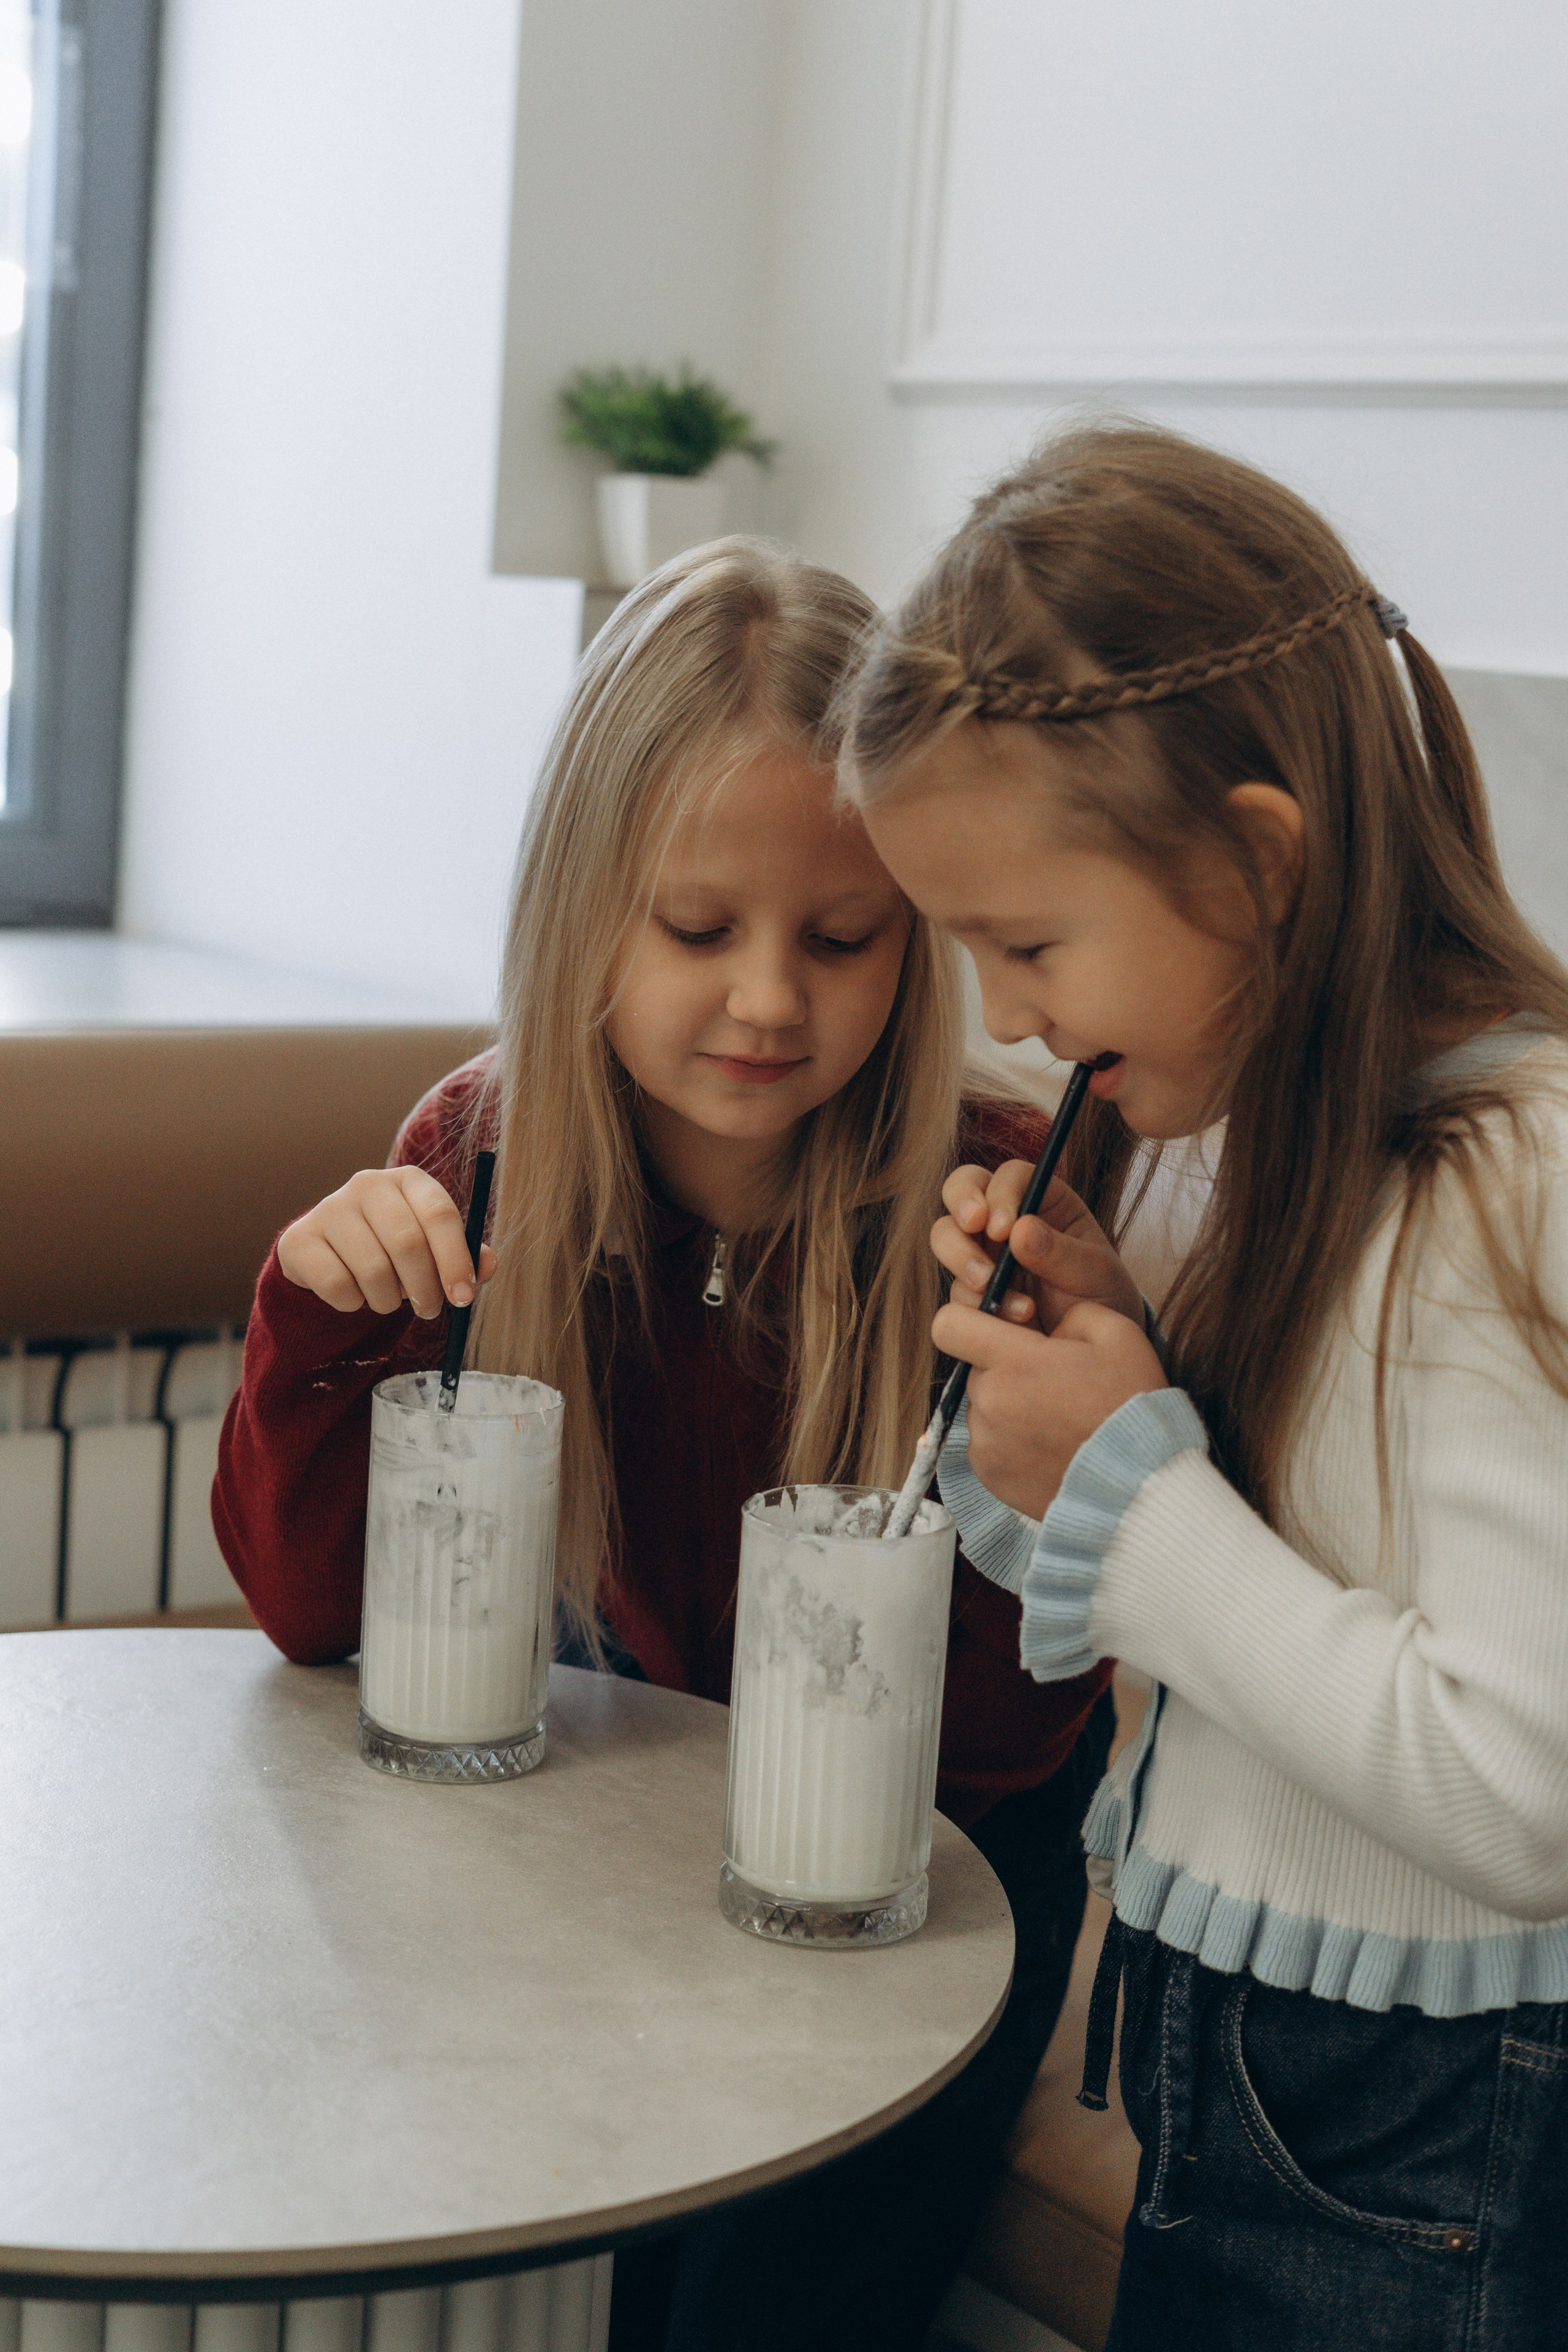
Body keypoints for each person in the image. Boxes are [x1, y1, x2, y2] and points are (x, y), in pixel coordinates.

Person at [214, 538, 1119, 2351]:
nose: (771, 1000)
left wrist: (1043, 1453)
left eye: (844, 936)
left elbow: (1017, 1741)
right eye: (698, 930)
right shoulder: (475, 1158)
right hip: (607, 1827)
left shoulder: (1009, 1188)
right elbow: (319, 1623)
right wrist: (314, 1337)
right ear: (580, 918)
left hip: (933, 1876)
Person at [839, 425, 1568, 2351]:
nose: (1006, 1016)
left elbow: (1523, 1786)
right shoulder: (1223, 1130)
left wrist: (1141, 1493)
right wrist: (1080, 1389)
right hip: (1229, 2049)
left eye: (1028, 942)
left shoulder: (1498, 1186)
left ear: (1255, 863)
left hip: (1418, 2122)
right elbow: (1202, 1578)